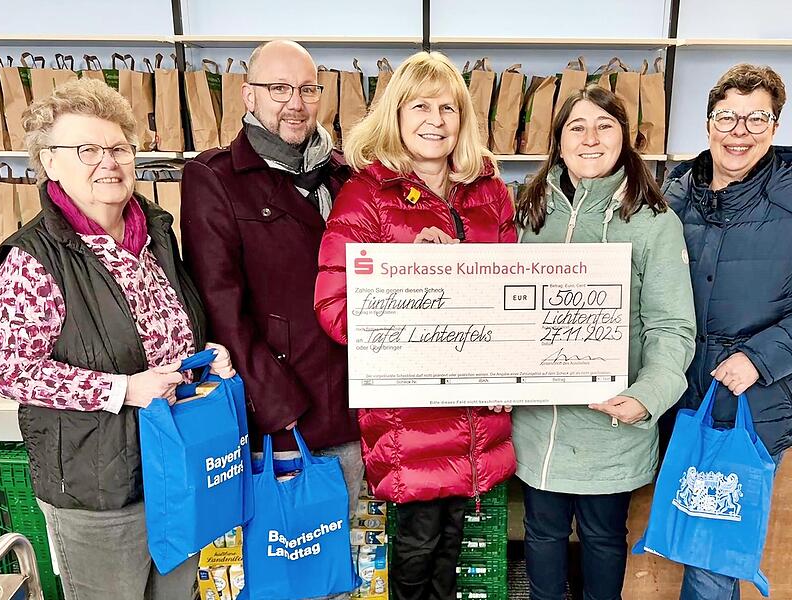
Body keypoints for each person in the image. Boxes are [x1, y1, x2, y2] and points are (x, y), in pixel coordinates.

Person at [0, 78, 234, 600]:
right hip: (98, 485)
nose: (109, 161)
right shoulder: (33, 258)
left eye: (119, 148)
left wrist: (205, 356)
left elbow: (171, 327)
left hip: (173, 467)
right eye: (87, 150)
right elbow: (12, 370)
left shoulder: (156, 234)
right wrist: (121, 389)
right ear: (49, 162)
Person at [314, 51, 516, 600]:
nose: (435, 119)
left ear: (463, 117)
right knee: (418, 543)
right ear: (396, 116)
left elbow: (510, 299)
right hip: (412, 412)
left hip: (477, 406)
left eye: (447, 107)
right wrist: (420, 279)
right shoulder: (367, 196)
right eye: (419, 105)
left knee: (453, 537)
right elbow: (335, 309)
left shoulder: (490, 192)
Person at [179, 40, 362, 595]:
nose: (296, 103)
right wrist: (279, 412)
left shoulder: (342, 175)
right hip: (279, 416)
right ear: (249, 95)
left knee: (335, 563)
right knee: (281, 570)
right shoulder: (213, 179)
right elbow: (221, 308)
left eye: (307, 89)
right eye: (279, 89)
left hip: (351, 407)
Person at [513, 85, 696, 600]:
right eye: (577, 127)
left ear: (625, 138)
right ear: (558, 140)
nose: (590, 138)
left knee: (601, 538)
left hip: (611, 423)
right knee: (542, 536)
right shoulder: (529, 212)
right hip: (539, 425)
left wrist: (648, 395)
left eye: (604, 126)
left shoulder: (654, 222)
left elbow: (671, 327)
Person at [663, 63, 792, 600]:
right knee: (680, 537)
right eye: (727, 117)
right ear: (708, 122)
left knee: (711, 554)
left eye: (756, 118)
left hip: (750, 399)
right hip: (676, 393)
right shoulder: (672, 196)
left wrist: (759, 359)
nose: (740, 131)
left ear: (776, 125)